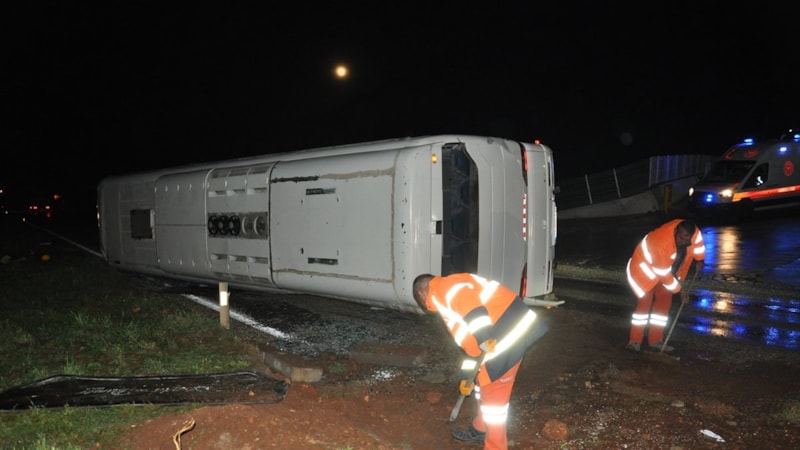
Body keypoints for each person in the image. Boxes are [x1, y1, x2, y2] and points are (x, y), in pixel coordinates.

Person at [412, 272, 548, 450]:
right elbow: (470, 346)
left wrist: (483, 336)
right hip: (496, 339)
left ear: (422, 293)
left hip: (504, 339)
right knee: (480, 384)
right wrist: (466, 376)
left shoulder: (443, 288)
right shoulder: (444, 297)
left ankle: (495, 447)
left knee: (494, 405)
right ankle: (481, 429)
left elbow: (470, 303)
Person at [625, 219, 705, 352]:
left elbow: (698, 245)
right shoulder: (660, 241)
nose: (684, 243)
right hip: (646, 272)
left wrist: (700, 259)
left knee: (663, 306)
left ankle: (656, 340)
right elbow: (662, 273)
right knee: (643, 307)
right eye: (681, 239)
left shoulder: (694, 233)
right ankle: (634, 341)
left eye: (687, 240)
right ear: (675, 232)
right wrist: (680, 291)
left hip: (668, 271)